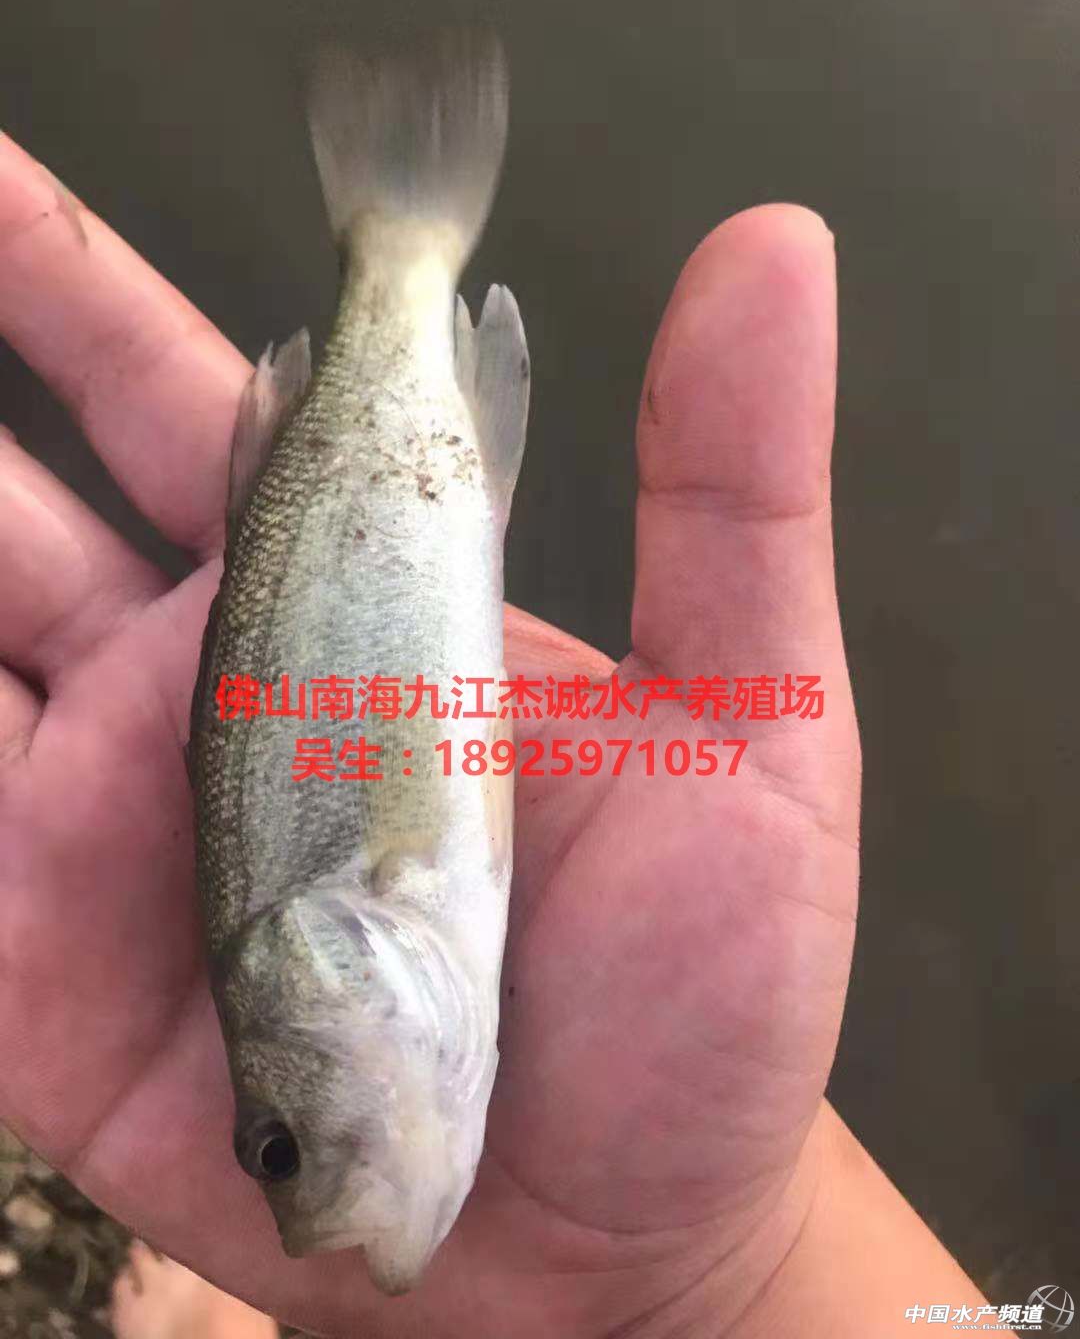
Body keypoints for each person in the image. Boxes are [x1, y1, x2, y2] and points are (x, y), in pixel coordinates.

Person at [0, 130, 1013, 1338]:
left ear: (297, 966)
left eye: (280, 1148)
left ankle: (396, 257)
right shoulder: (368, 916)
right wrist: (721, 1283)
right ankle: (401, 256)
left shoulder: (384, 893)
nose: (306, 1195)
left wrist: (728, 1278)